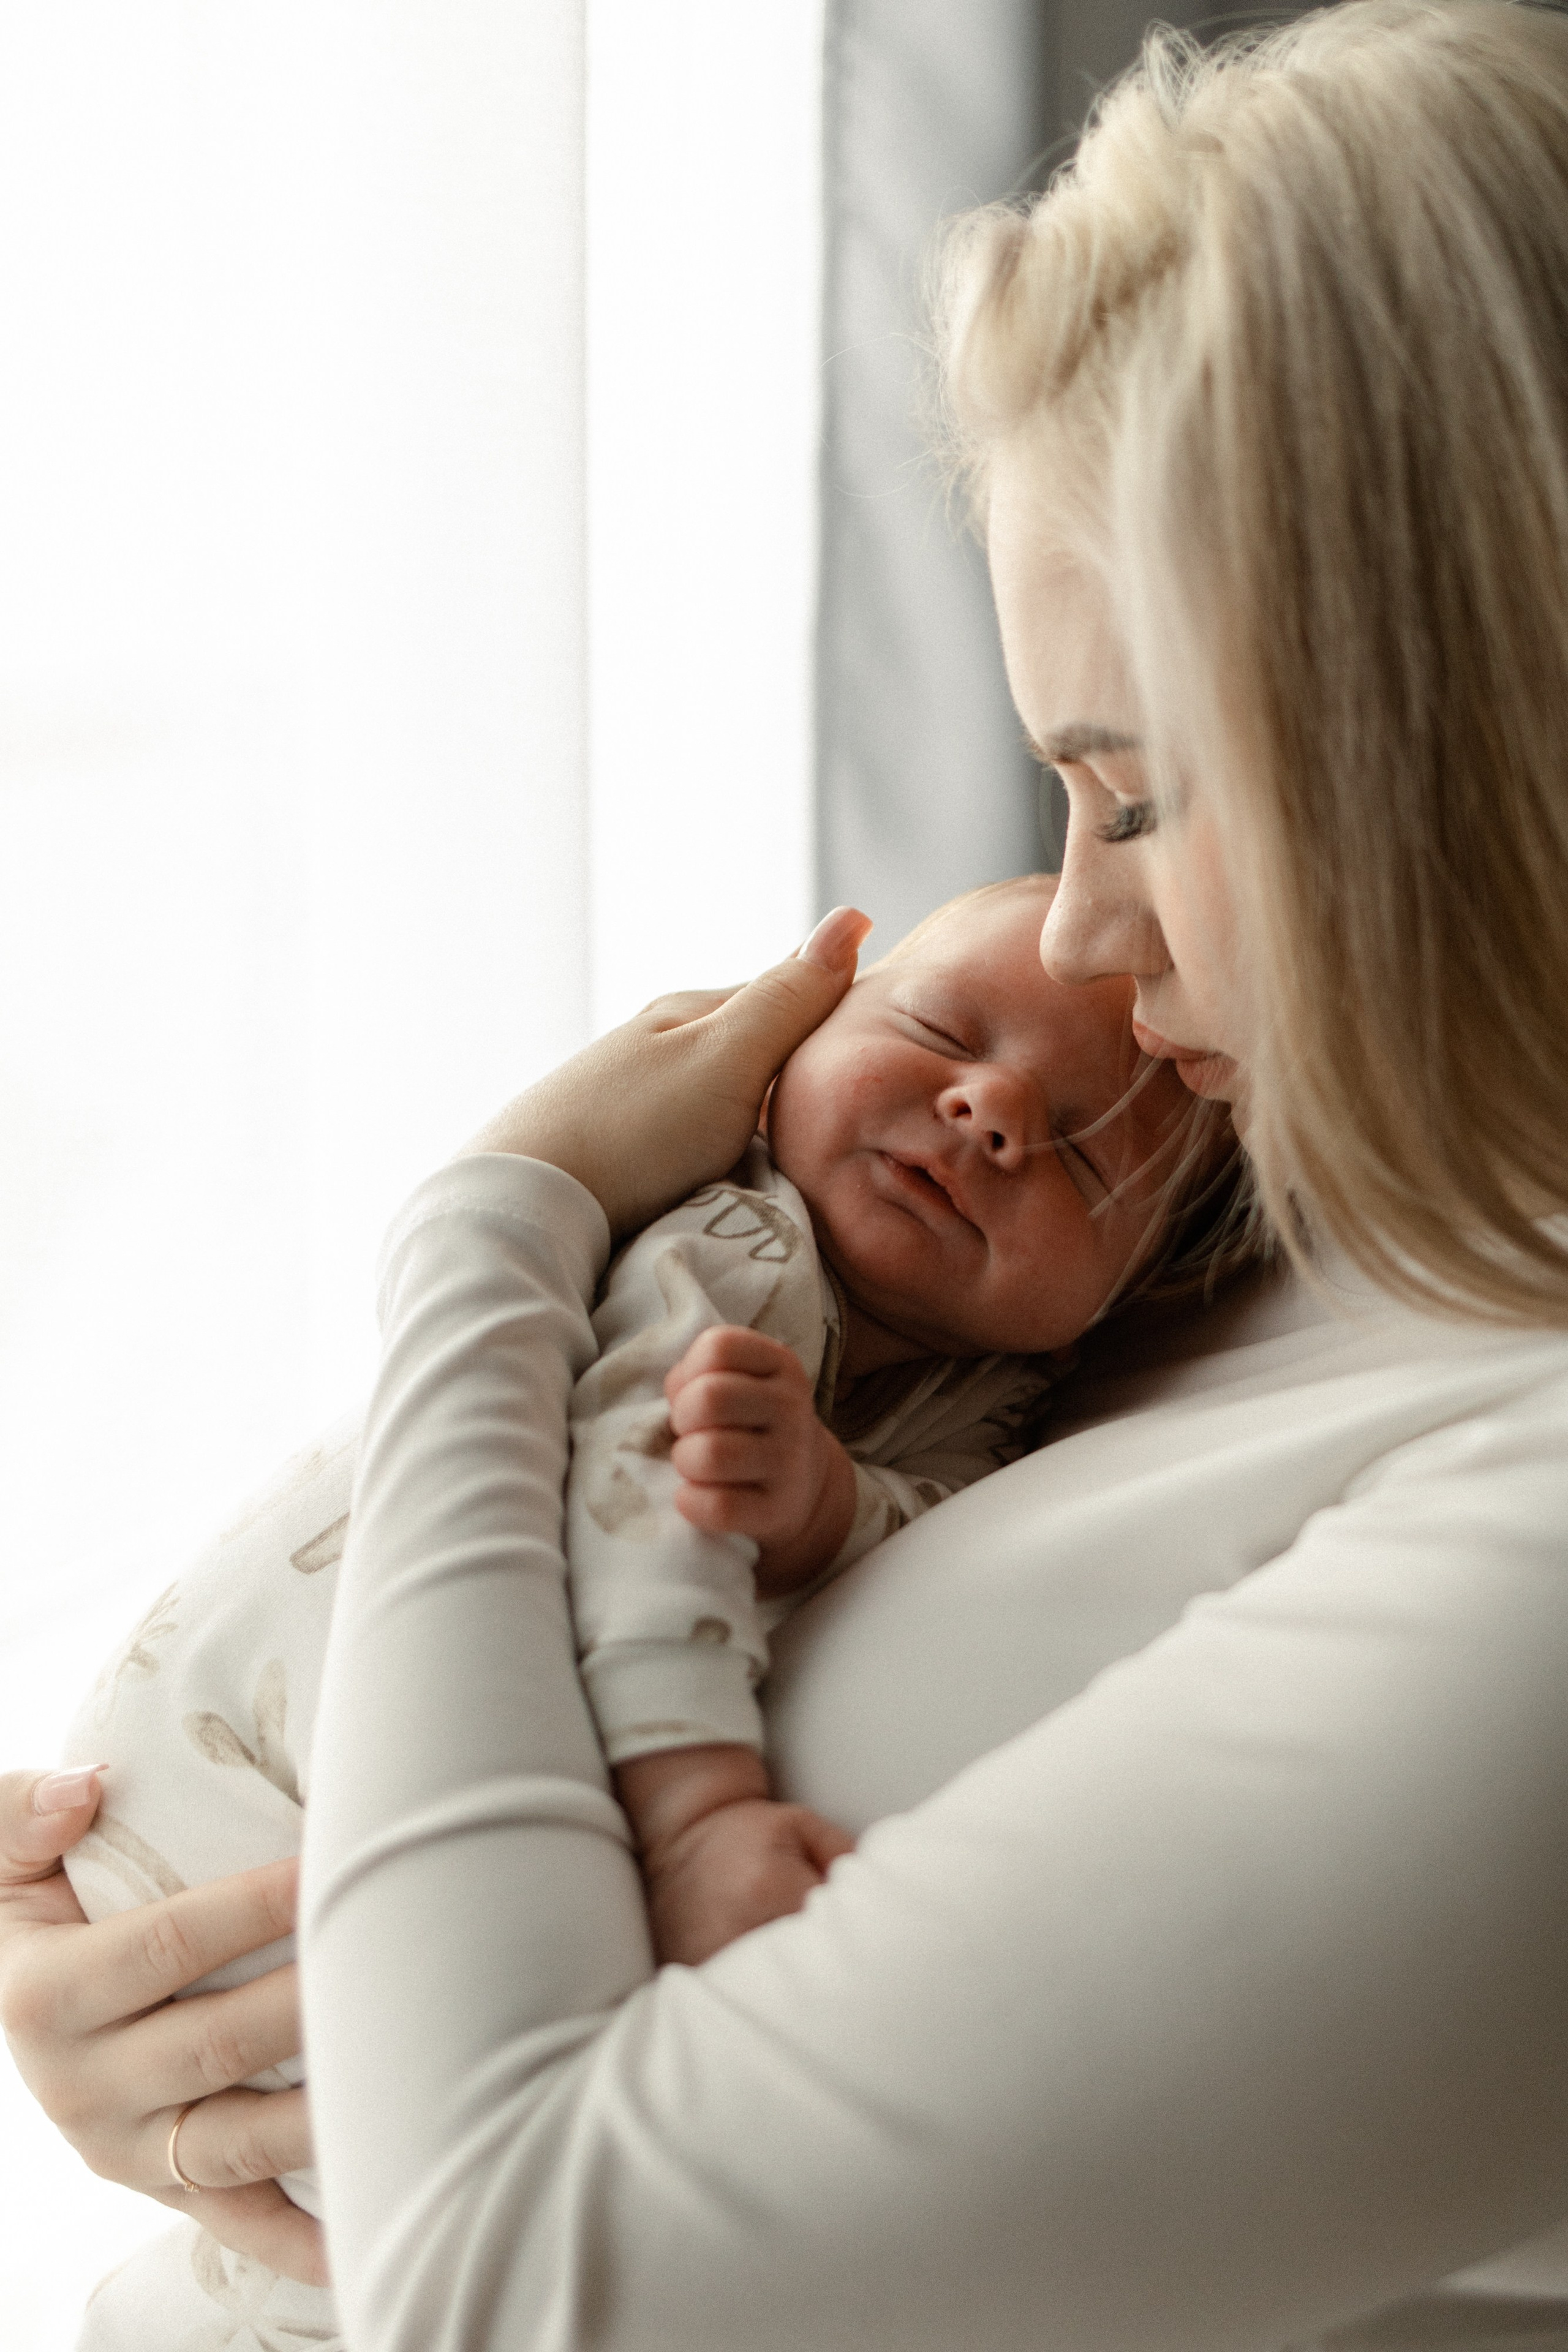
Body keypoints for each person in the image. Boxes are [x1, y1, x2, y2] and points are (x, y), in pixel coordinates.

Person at [6, 4, 1568, 2346]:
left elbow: (517, 2277)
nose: (1077, 935)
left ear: (1465, 752)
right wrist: (200, 1964)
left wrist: (497, 1228)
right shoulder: (1334, 1225)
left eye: (1141, 793)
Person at [45, 874, 1227, 2348]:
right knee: (380, 2234)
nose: (991, 1111)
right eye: (934, 1027)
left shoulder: (993, 1395)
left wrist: (825, 1511)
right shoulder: (737, 1244)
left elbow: (906, 1524)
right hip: (233, 1781)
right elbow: (630, 1507)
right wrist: (696, 1815)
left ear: (1139, 1289)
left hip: (235, 1889)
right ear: (782, 1038)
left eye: (1089, 1155)